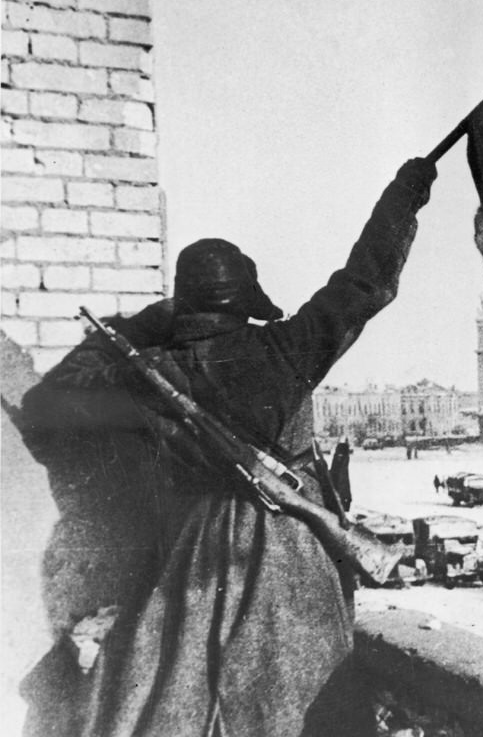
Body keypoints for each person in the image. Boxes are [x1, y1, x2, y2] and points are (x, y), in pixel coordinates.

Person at [18, 153, 443, 737]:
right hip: (293, 549)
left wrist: (148, 324)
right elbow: (366, 282)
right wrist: (404, 196)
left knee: (185, 697)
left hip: (198, 548)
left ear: (185, 301)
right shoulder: (288, 349)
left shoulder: (151, 375)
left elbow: (46, 405)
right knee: (300, 698)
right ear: (245, 297)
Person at [329, 438, 353, 513]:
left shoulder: (341, 467)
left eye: (341, 455)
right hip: (339, 498)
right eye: (339, 455)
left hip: (340, 499)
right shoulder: (339, 465)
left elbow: (343, 482)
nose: (340, 457)